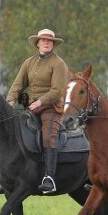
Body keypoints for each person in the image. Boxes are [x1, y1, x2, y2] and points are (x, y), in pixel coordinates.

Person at [7, 28, 69, 194]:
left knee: (48, 137)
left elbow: (57, 91)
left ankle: (49, 178)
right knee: (15, 133)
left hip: (51, 108)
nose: (47, 42)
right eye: (43, 40)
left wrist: (40, 102)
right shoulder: (29, 62)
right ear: (37, 43)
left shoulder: (59, 64)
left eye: (50, 41)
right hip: (32, 108)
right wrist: (10, 100)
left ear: (53, 44)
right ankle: (11, 178)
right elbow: (18, 84)